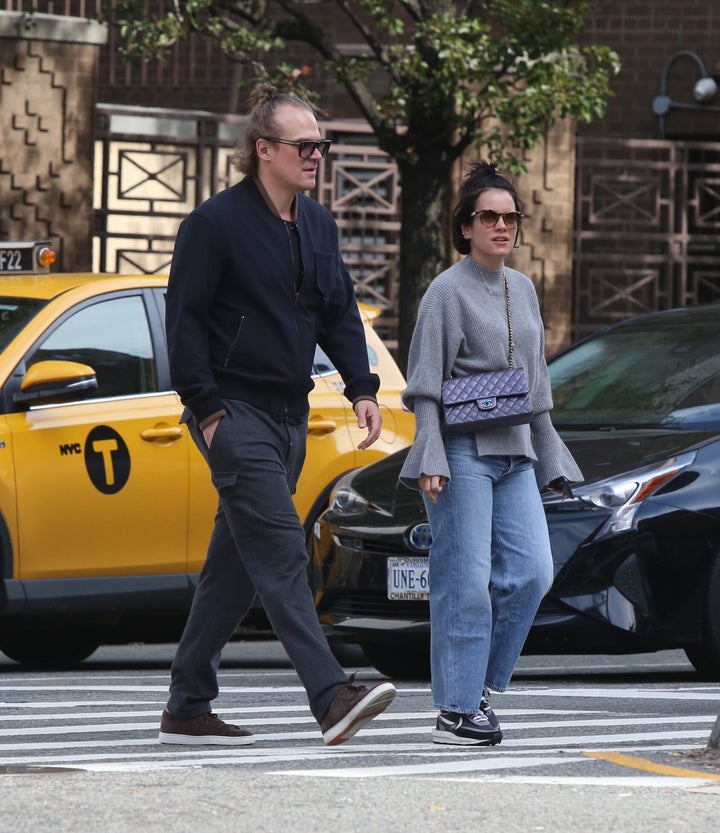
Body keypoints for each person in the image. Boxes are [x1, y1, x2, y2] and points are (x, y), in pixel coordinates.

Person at [160, 83, 396, 747]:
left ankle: (186, 701)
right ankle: (330, 693)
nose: (317, 154)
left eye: (321, 144)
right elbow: (184, 326)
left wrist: (363, 387)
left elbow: (339, 312)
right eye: (304, 145)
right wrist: (207, 412)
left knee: (235, 561)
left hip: (292, 415)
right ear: (264, 150)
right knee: (283, 547)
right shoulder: (213, 225)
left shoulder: (318, 225)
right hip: (233, 412)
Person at [399, 161, 582, 746]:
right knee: (464, 580)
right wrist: (430, 454)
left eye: (510, 217)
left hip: (516, 452)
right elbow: (424, 384)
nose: (501, 226)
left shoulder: (523, 289)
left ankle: (475, 686)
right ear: (466, 227)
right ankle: (455, 710)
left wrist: (552, 461)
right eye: (489, 217)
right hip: (461, 452)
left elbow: (537, 389)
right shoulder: (446, 292)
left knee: (532, 573)